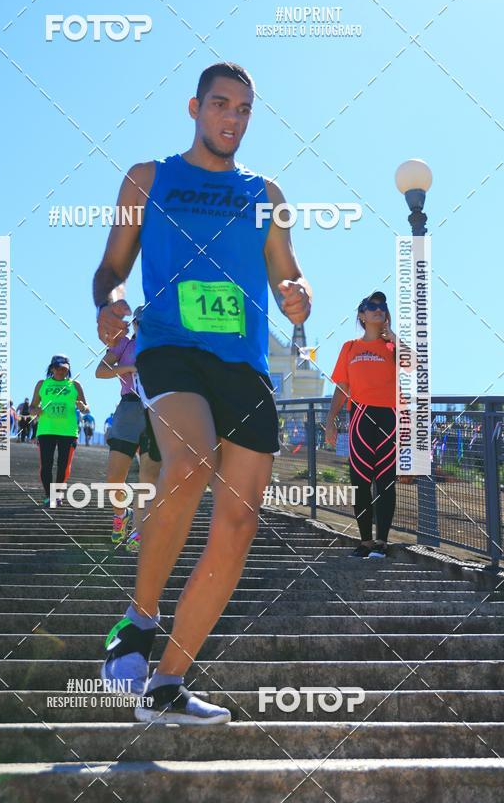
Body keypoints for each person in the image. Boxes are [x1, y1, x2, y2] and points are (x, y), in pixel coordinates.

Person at [93, 62, 311, 724]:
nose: (232, 119)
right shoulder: (148, 178)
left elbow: (289, 276)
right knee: (189, 461)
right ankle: (137, 621)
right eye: (221, 105)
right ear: (195, 107)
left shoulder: (265, 192)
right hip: (169, 345)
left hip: (242, 364)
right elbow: (111, 268)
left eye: (244, 110)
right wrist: (111, 302)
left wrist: (300, 297)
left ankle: (166, 685)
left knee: (239, 525)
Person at [325, 291, 403, 559]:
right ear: (362, 315)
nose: (378, 310)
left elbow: (417, 366)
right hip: (360, 417)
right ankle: (365, 541)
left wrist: (393, 337)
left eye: (382, 306)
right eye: (372, 306)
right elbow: (341, 387)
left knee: (385, 482)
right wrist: (330, 421)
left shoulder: (393, 348)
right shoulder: (349, 347)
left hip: (389, 418)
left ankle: (381, 542)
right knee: (360, 481)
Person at [96, 306, 161, 554]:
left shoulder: (162, 347)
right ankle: (121, 514)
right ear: (134, 324)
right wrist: (129, 368)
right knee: (114, 477)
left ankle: (139, 531)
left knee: (148, 477)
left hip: (155, 411)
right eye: (140, 323)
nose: (143, 327)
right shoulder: (124, 345)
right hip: (128, 409)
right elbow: (100, 371)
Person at [30, 355, 89, 506]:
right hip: (46, 430)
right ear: (52, 368)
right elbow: (31, 407)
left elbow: (86, 408)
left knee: (64, 465)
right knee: (46, 464)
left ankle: (57, 494)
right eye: (58, 367)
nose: (61, 370)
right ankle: (49, 495)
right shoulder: (42, 384)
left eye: (64, 368)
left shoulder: (74, 384)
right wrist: (36, 410)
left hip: (68, 431)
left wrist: (82, 407)